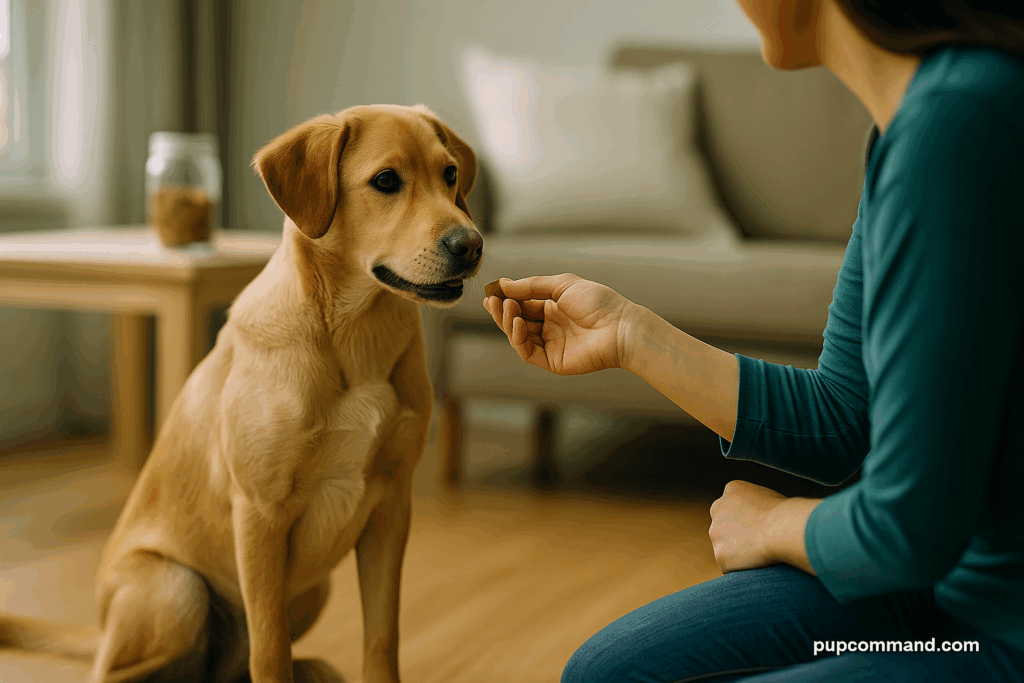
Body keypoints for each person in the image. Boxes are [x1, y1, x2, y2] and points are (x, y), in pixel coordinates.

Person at [482, 0, 1024, 680]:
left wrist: (775, 524)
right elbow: (843, 417)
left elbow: (905, 532)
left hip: (997, 634)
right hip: (943, 592)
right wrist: (630, 333)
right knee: (605, 671)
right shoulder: (904, 130)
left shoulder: (960, 124)